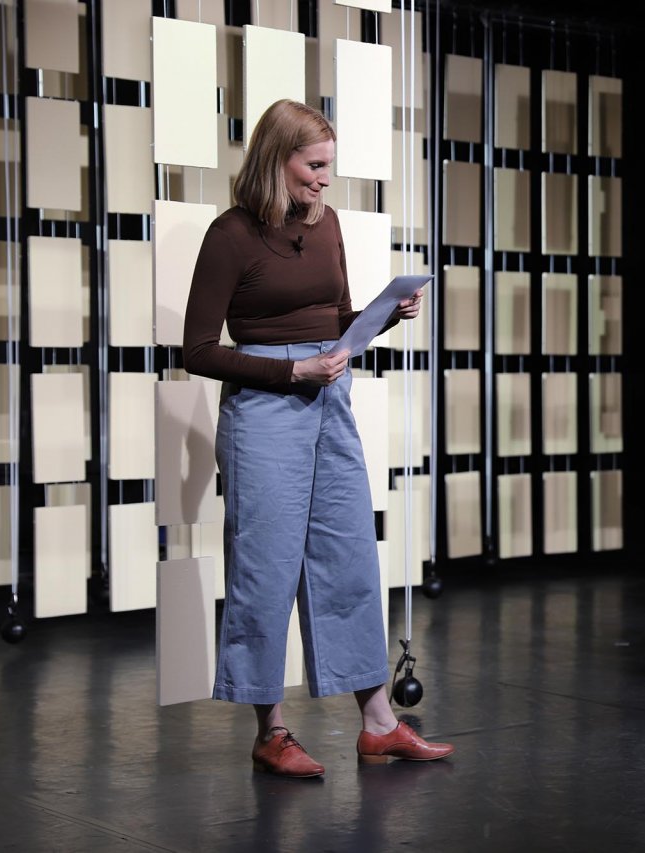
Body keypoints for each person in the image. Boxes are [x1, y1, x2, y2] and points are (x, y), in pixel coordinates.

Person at [183, 98, 451, 776]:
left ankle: (379, 723)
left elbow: (334, 319)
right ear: (278, 160)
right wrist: (291, 370)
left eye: (329, 166)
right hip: (265, 408)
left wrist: (385, 315)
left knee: (349, 556)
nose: (325, 179)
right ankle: (270, 731)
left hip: (331, 399)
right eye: (315, 166)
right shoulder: (231, 235)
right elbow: (197, 350)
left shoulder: (325, 224)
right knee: (265, 567)